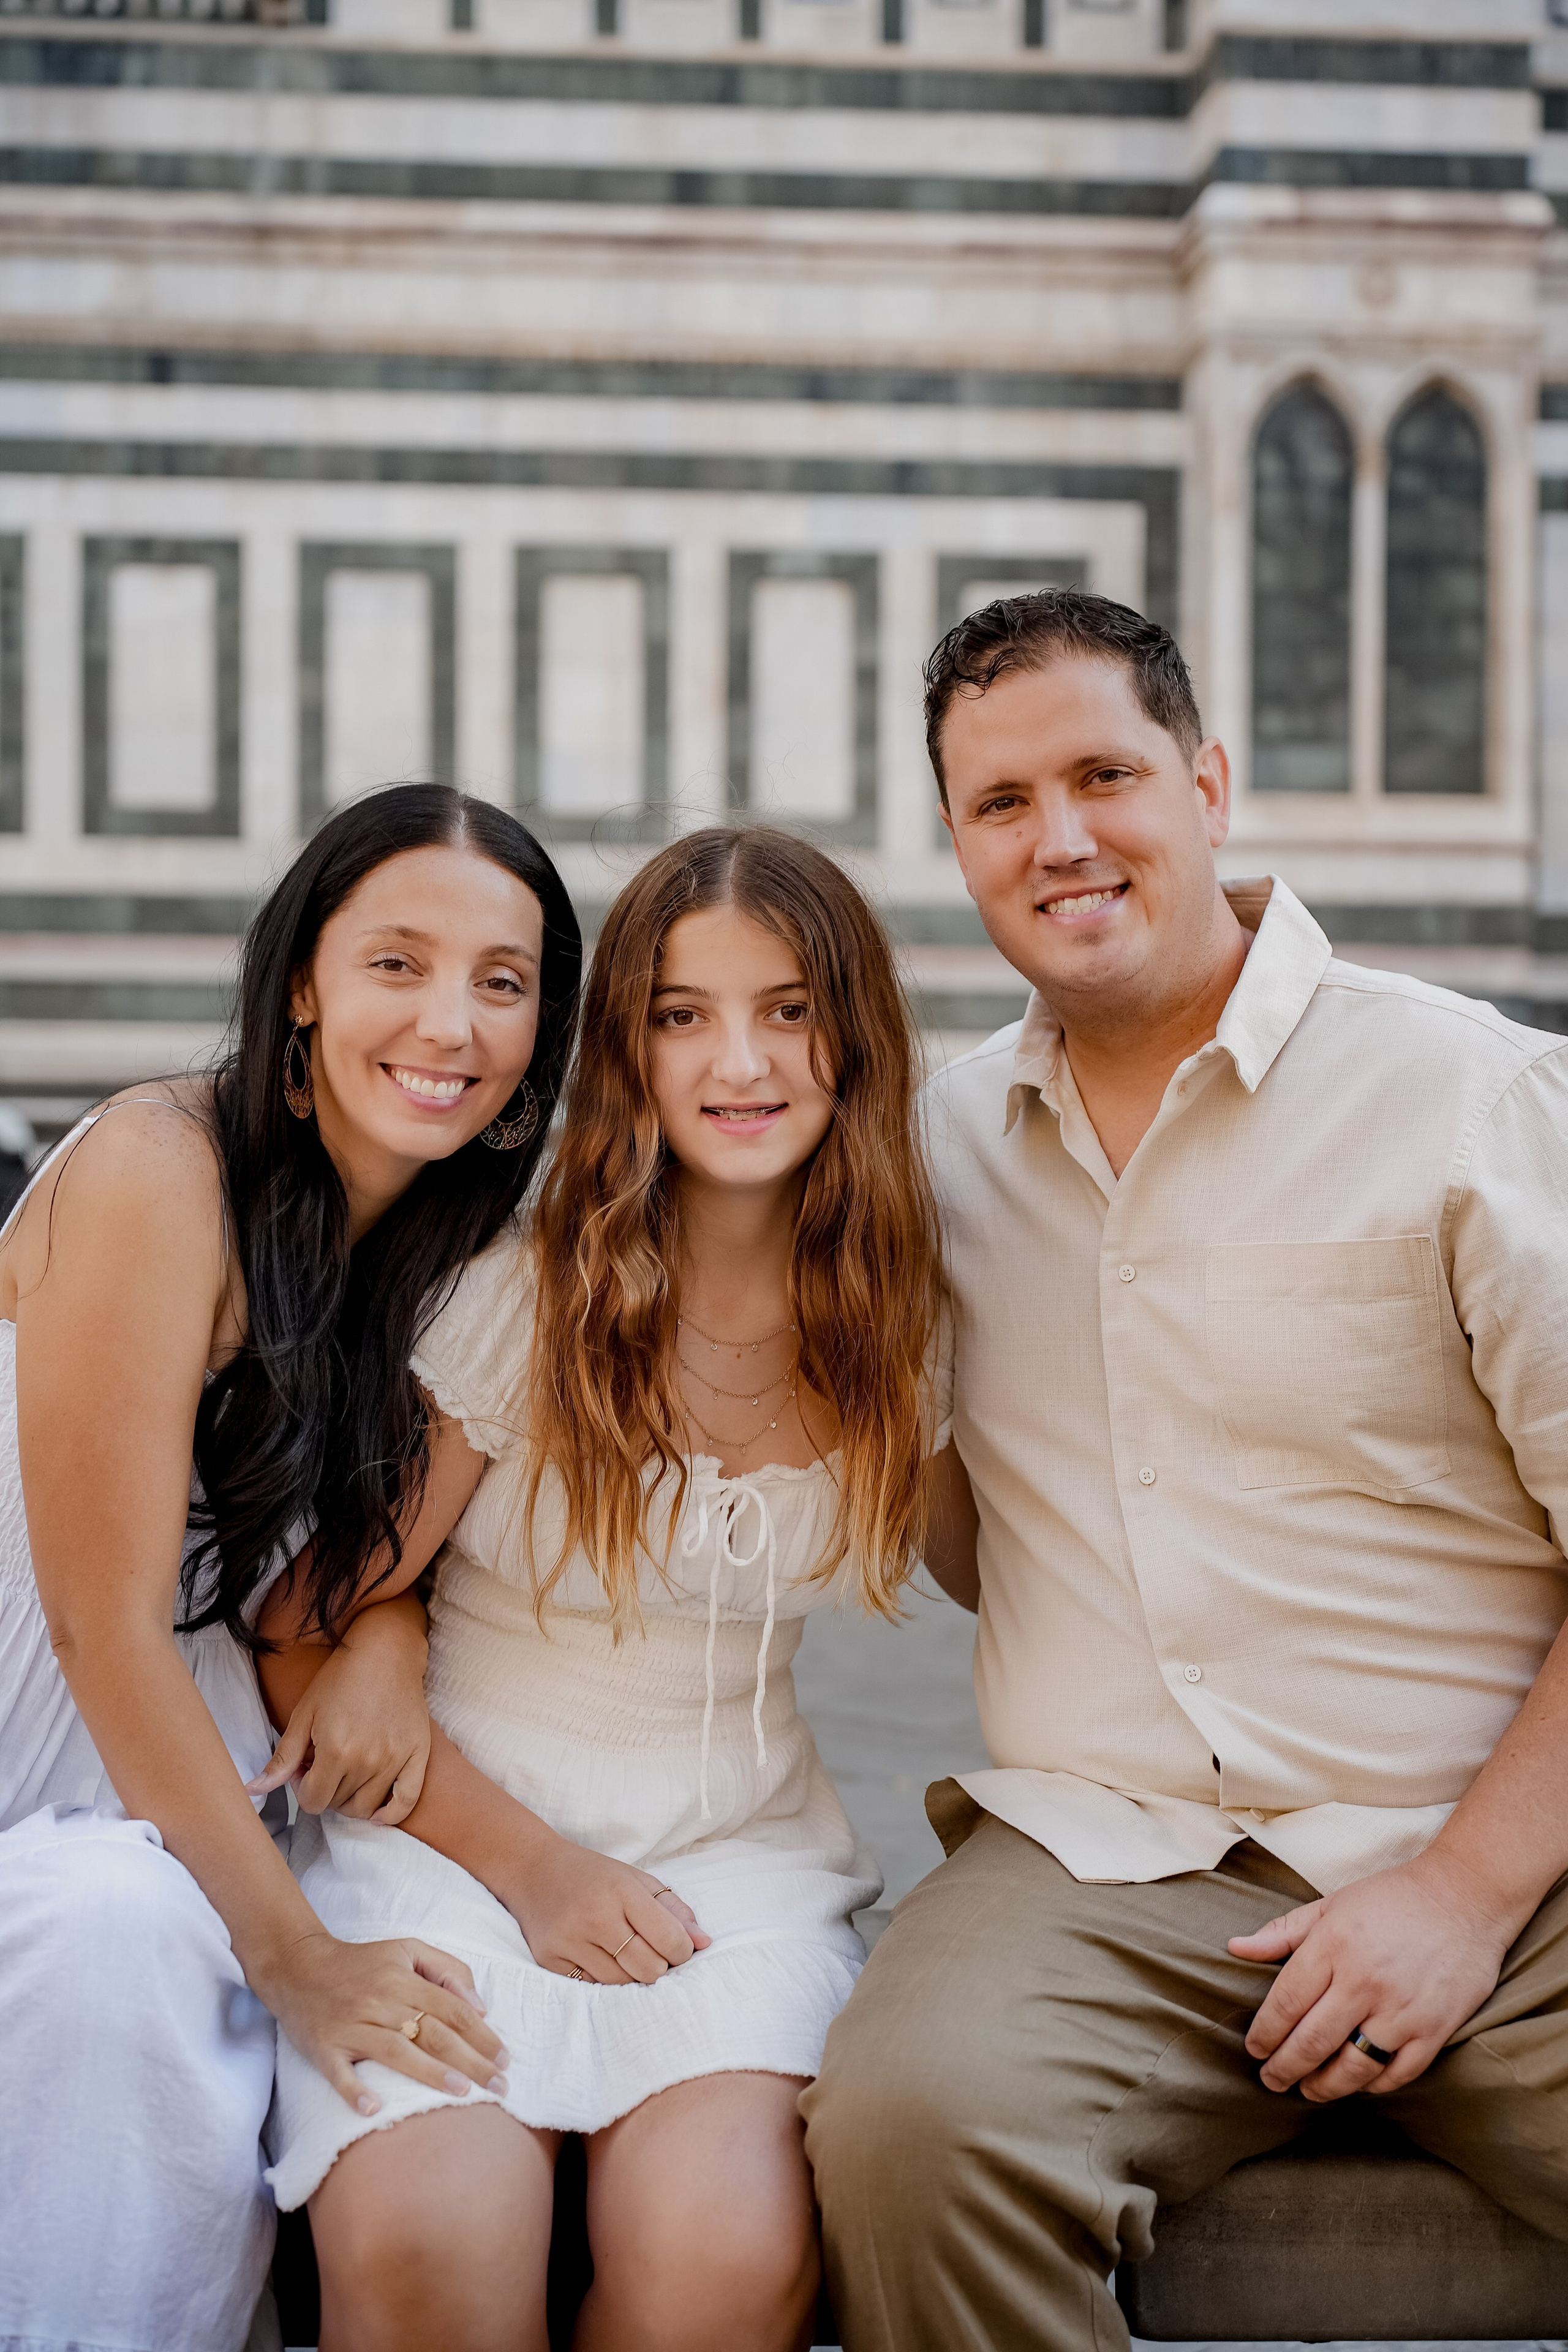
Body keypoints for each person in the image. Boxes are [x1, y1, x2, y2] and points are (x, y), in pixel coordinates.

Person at [801, 589, 1568, 2351]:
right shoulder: (929, 1155)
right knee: (912, 2133)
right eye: (1002, 804)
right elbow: (970, 1547)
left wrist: (1460, 1895)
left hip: (1501, 1847)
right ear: (956, 844)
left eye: (1103, 776)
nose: (1060, 839)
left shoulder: (1467, 1098)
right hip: (1110, 1859)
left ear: (1206, 782)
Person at [255, 824, 946, 2352]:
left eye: (784, 1007)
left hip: (740, 1871)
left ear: (855, 1032)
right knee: (434, 2239)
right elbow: (299, 1632)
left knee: (720, 2260)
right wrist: (530, 1859)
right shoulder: (523, 1295)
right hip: (456, 1847)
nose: (739, 1060)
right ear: (624, 1047)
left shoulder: (902, 1325)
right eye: (680, 1014)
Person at [0, 782, 581, 2352]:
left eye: (502, 982)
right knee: (119, 1934)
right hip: (46, 1730)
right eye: (396, 962)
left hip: (214, 1765)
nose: (448, 1022)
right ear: (303, 983)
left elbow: (319, 1579)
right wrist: (300, 1961)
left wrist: (383, 1634)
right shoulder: (157, 1165)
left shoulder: (452, 1257)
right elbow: (101, 1620)